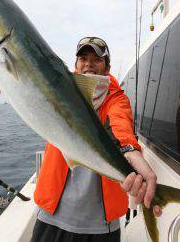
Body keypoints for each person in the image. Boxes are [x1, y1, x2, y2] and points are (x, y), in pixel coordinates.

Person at [32, 37, 161, 242]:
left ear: (107, 67)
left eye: (97, 59)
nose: (89, 63)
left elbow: (119, 125)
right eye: (83, 58)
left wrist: (129, 149)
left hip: (101, 225)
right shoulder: (59, 91)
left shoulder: (115, 99)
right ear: (75, 64)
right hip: (52, 214)